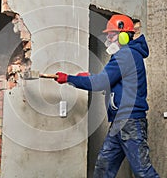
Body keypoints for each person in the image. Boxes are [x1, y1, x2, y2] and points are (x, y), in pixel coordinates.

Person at [54, 14, 159, 178]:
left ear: (124, 36)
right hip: (119, 122)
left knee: (143, 172)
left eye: (111, 34)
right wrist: (87, 77)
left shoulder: (125, 55)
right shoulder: (125, 55)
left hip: (130, 121)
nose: (108, 38)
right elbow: (111, 81)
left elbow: (101, 82)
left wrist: (69, 79)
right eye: (108, 34)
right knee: (104, 168)